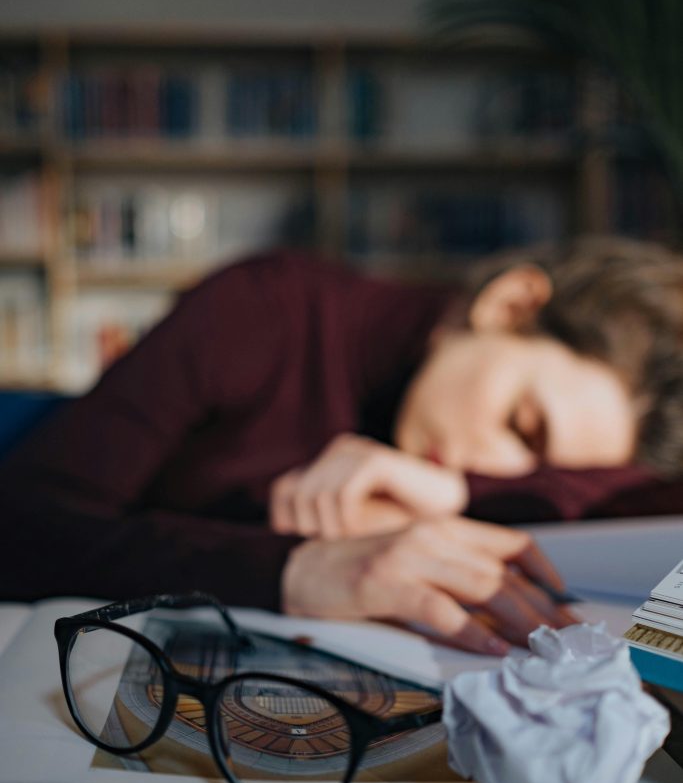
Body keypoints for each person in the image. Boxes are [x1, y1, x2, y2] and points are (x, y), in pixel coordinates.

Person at [2, 237, 683, 654]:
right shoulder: (262, 309)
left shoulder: (479, 465)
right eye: (521, 425)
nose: (500, 466)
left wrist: (457, 494)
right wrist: (299, 569)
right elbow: (25, 527)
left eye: (540, 469)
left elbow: (640, 506)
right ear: (507, 305)